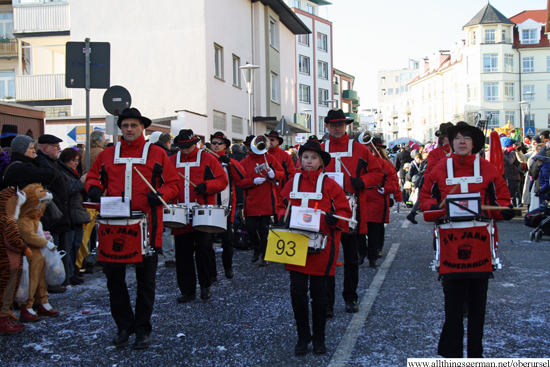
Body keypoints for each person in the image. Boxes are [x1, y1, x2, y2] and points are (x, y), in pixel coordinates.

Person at [85, 108, 179, 349]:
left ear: (142, 128)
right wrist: (93, 188)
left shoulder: (157, 153)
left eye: (133, 125)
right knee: (114, 280)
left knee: (145, 281)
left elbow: (173, 184)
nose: (129, 129)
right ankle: (124, 326)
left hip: (148, 226)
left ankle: (142, 329)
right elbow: (93, 176)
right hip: (113, 226)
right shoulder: (108, 153)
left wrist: (161, 195)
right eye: (125, 125)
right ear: (120, 128)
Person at [419, 121, 515, 358]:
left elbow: (501, 201)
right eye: (457, 138)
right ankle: (451, 355)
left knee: (477, 306)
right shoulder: (439, 169)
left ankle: (475, 355)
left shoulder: (489, 169)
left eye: (467, 138)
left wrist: (500, 212)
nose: (461, 141)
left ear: (474, 143)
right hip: (449, 247)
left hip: (481, 246)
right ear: (450, 143)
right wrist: (440, 210)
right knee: (452, 304)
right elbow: (426, 203)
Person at [277, 141, 351, 355]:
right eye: (306, 157)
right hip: (296, 244)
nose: (309, 161)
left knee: (319, 295)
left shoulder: (330, 185)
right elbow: (281, 205)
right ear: (300, 160)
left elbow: (345, 213)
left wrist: (333, 219)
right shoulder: (293, 182)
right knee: (297, 293)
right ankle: (302, 336)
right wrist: (284, 216)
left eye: (314, 158)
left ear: (321, 163)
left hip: (323, 248)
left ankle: (319, 337)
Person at [320, 109, 383, 314]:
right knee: (326, 259)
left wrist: (363, 181)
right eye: (333, 125)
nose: (337, 128)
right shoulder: (320, 149)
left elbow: (377, 172)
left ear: (346, 127)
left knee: (351, 259)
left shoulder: (359, 149)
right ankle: (327, 302)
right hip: (325, 211)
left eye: (340, 125)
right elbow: (302, 172)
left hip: (352, 211)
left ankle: (350, 298)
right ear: (327, 126)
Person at [169, 129, 228, 303]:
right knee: (182, 254)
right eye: (182, 147)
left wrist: (206, 186)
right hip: (180, 213)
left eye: (188, 146)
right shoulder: (172, 161)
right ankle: (187, 290)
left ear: (195, 143)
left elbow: (222, 181)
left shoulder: (208, 159)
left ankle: (205, 285)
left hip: (202, 212)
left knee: (203, 249)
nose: (186, 150)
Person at [236, 135, 285, 266]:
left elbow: (282, 173)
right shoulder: (244, 162)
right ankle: (257, 249)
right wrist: (252, 181)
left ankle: (264, 254)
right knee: (251, 228)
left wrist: (274, 174)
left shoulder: (269, 158)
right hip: (251, 201)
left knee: (264, 230)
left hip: (266, 199)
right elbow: (239, 182)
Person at [37, 134, 71, 293]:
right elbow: (48, 187)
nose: (59, 149)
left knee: (61, 246)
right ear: (46, 148)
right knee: (54, 249)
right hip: (54, 214)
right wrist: (58, 203)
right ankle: (54, 280)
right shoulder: (44, 164)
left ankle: (60, 279)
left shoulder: (52, 162)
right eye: (56, 147)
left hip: (59, 212)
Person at [208, 132, 245, 279]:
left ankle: (228, 266)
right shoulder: (205, 158)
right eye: (214, 142)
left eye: (219, 143)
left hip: (226, 206)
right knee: (207, 242)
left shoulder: (229, 161)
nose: (216, 145)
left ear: (225, 145)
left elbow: (241, 177)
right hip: (210, 206)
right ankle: (211, 272)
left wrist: (230, 163)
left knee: (227, 240)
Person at [359, 138, 399, 268]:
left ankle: (372, 257)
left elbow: (393, 179)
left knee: (374, 231)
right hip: (362, 196)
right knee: (358, 230)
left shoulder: (383, 163)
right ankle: (361, 253)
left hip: (377, 198)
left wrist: (386, 189)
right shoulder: (360, 161)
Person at [58, 148, 91, 286]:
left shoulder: (71, 172)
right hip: (70, 214)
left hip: (76, 213)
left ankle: (73, 272)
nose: (76, 163)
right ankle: (69, 273)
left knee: (77, 243)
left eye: (77, 160)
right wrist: (81, 182)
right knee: (70, 245)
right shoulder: (63, 172)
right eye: (73, 160)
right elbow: (67, 191)